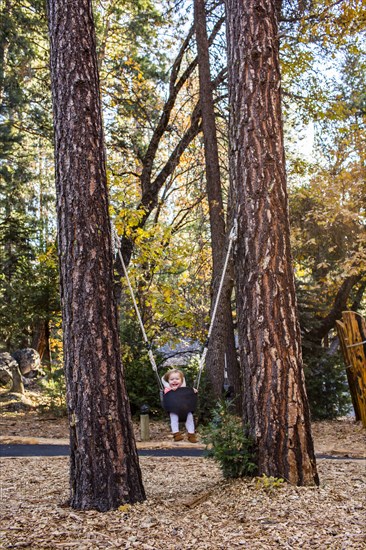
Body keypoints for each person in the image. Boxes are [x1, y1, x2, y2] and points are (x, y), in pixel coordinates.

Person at [162, 368, 197, 443]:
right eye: (171, 379)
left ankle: (191, 434)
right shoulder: (167, 389)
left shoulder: (185, 389)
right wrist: (171, 389)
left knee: (190, 419)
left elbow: (189, 394)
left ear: (181, 380)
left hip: (185, 409)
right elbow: (166, 394)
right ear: (168, 381)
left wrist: (193, 391)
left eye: (177, 379)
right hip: (174, 409)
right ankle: (176, 434)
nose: (174, 380)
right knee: (174, 419)